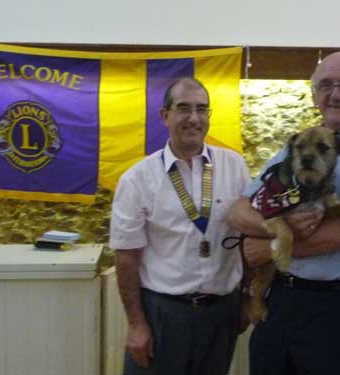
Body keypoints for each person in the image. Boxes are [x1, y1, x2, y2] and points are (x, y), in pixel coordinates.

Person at [227, 52, 340, 375]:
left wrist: (270, 248)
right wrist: (274, 232)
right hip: (281, 299)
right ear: (314, 95)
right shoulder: (295, 146)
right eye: (325, 85)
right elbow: (239, 210)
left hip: (339, 308)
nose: (336, 94)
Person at [109, 77, 251, 375]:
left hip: (222, 310)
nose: (194, 118)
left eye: (202, 109)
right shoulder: (137, 179)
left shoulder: (234, 166)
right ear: (165, 115)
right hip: (163, 313)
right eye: (184, 109)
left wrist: (248, 298)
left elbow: (248, 236)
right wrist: (136, 324)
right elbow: (126, 257)